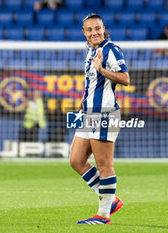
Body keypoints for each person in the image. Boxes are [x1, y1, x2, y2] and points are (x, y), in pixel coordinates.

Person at [70, 13, 129, 225]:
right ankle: (111, 200)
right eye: (90, 29)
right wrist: (82, 99)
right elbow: (92, 81)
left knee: (104, 164)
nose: (94, 32)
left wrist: (102, 69)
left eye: (98, 28)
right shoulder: (90, 50)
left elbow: (125, 79)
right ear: (84, 33)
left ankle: (103, 215)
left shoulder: (111, 49)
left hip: (104, 113)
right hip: (88, 112)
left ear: (103, 29)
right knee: (76, 161)